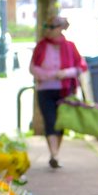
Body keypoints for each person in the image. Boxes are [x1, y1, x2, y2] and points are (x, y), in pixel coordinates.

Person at [30, 16, 87, 169]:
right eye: (46, 27)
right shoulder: (41, 46)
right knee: (50, 120)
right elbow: (33, 68)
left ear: (60, 28)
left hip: (65, 89)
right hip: (45, 89)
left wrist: (65, 73)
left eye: (51, 27)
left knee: (60, 122)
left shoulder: (70, 46)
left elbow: (81, 66)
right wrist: (49, 74)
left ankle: (55, 152)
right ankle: (54, 154)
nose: (48, 30)